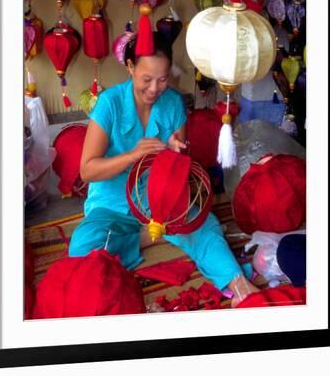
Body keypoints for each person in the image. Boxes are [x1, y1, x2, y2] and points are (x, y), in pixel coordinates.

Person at [69, 33, 258, 307]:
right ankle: (144, 238)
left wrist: (174, 152)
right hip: (112, 203)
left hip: (159, 199)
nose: (155, 88)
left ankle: (238, 284)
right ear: (130, 67)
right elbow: (87, 170)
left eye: (163, 78)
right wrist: (133, 155)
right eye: (146, 79)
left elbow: (178, 165)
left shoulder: (173, 103)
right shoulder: (110, 103)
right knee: (83, 247)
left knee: (205, 225)